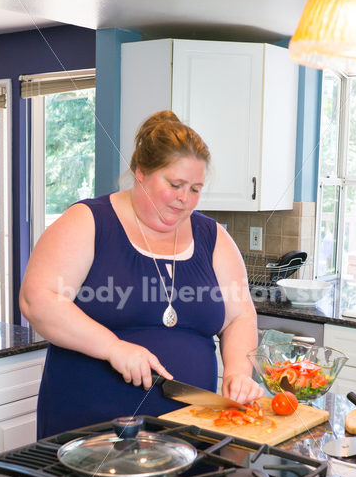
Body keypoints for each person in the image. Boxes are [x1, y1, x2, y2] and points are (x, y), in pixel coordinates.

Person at [20, 110, 264, 438]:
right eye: (175, 184)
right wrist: (113, 347)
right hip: (90, 434)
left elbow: (239, 317)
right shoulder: (88, 221)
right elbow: (38, 300)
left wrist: (237, 372)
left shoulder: (213, 237)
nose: (184, 199)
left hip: (190, 436)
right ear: (141, 173)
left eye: (195, 188)